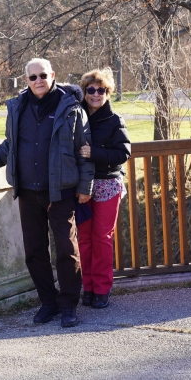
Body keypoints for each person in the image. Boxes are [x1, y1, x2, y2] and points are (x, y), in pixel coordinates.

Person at [0, 58, 94, 328]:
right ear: (25, 80)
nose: (38, 81)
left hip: (60, 192)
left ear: (53, 76)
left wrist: (85, 188)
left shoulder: (71, 107)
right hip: (28, 192)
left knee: (66, 250)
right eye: (32, 77)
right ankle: (48, 302)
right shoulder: (18, 108)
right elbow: (9, 147)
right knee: (34, 252)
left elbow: (84, 150)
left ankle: (69, 305)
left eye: (42, 75)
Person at [77, 68, 131, 309]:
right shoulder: (77, 116)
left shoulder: (114, 120)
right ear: (85, 92)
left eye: (101, 90)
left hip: (107, 184)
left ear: (107, 93)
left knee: (102, 238)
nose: (96, 94)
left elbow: (123, 152)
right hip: (81, 185)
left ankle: (101, 289)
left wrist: (94, 153)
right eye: (91, 90)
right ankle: (86, 287)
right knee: (84, 239)